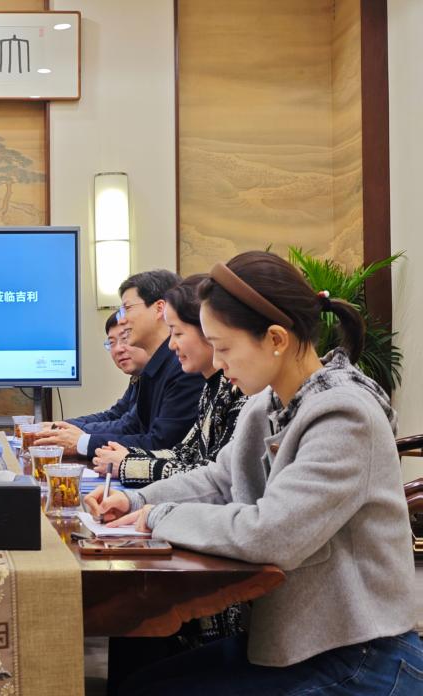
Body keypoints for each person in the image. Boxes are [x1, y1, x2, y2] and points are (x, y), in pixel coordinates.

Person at [87, 251, 422, 695]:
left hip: (361, 653)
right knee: (138, 682)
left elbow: (272, 533)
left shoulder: (345, 415)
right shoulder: (267, 404)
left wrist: (158, 516)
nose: (218, 361)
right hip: (293, 640)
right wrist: (136, 500)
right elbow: (218, 479)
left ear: (276, 338)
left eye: (224, 347)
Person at [93, 274, 247, 489]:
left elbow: (216, 476)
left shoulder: (242, 390)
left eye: (178, 333)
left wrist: (128, 464)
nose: (172, 345)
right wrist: (125, 455)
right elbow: (185, 453)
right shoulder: (215, 387)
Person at [37, 270, 204, 458]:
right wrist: (67, 431)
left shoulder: (184, 367)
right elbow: (130, 424)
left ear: (159, 309)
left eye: (127, 308)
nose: (122, 320)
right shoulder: (153, 367)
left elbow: (161, 444)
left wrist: (81, 442)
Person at [70, 313, 150, 433]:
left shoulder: (157, 376)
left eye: (125, 338)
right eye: (112, 342)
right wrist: (63, 426)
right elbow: (114, 415)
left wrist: (76, 433)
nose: (118, 349)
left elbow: (129, 426)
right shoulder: (137, 377)